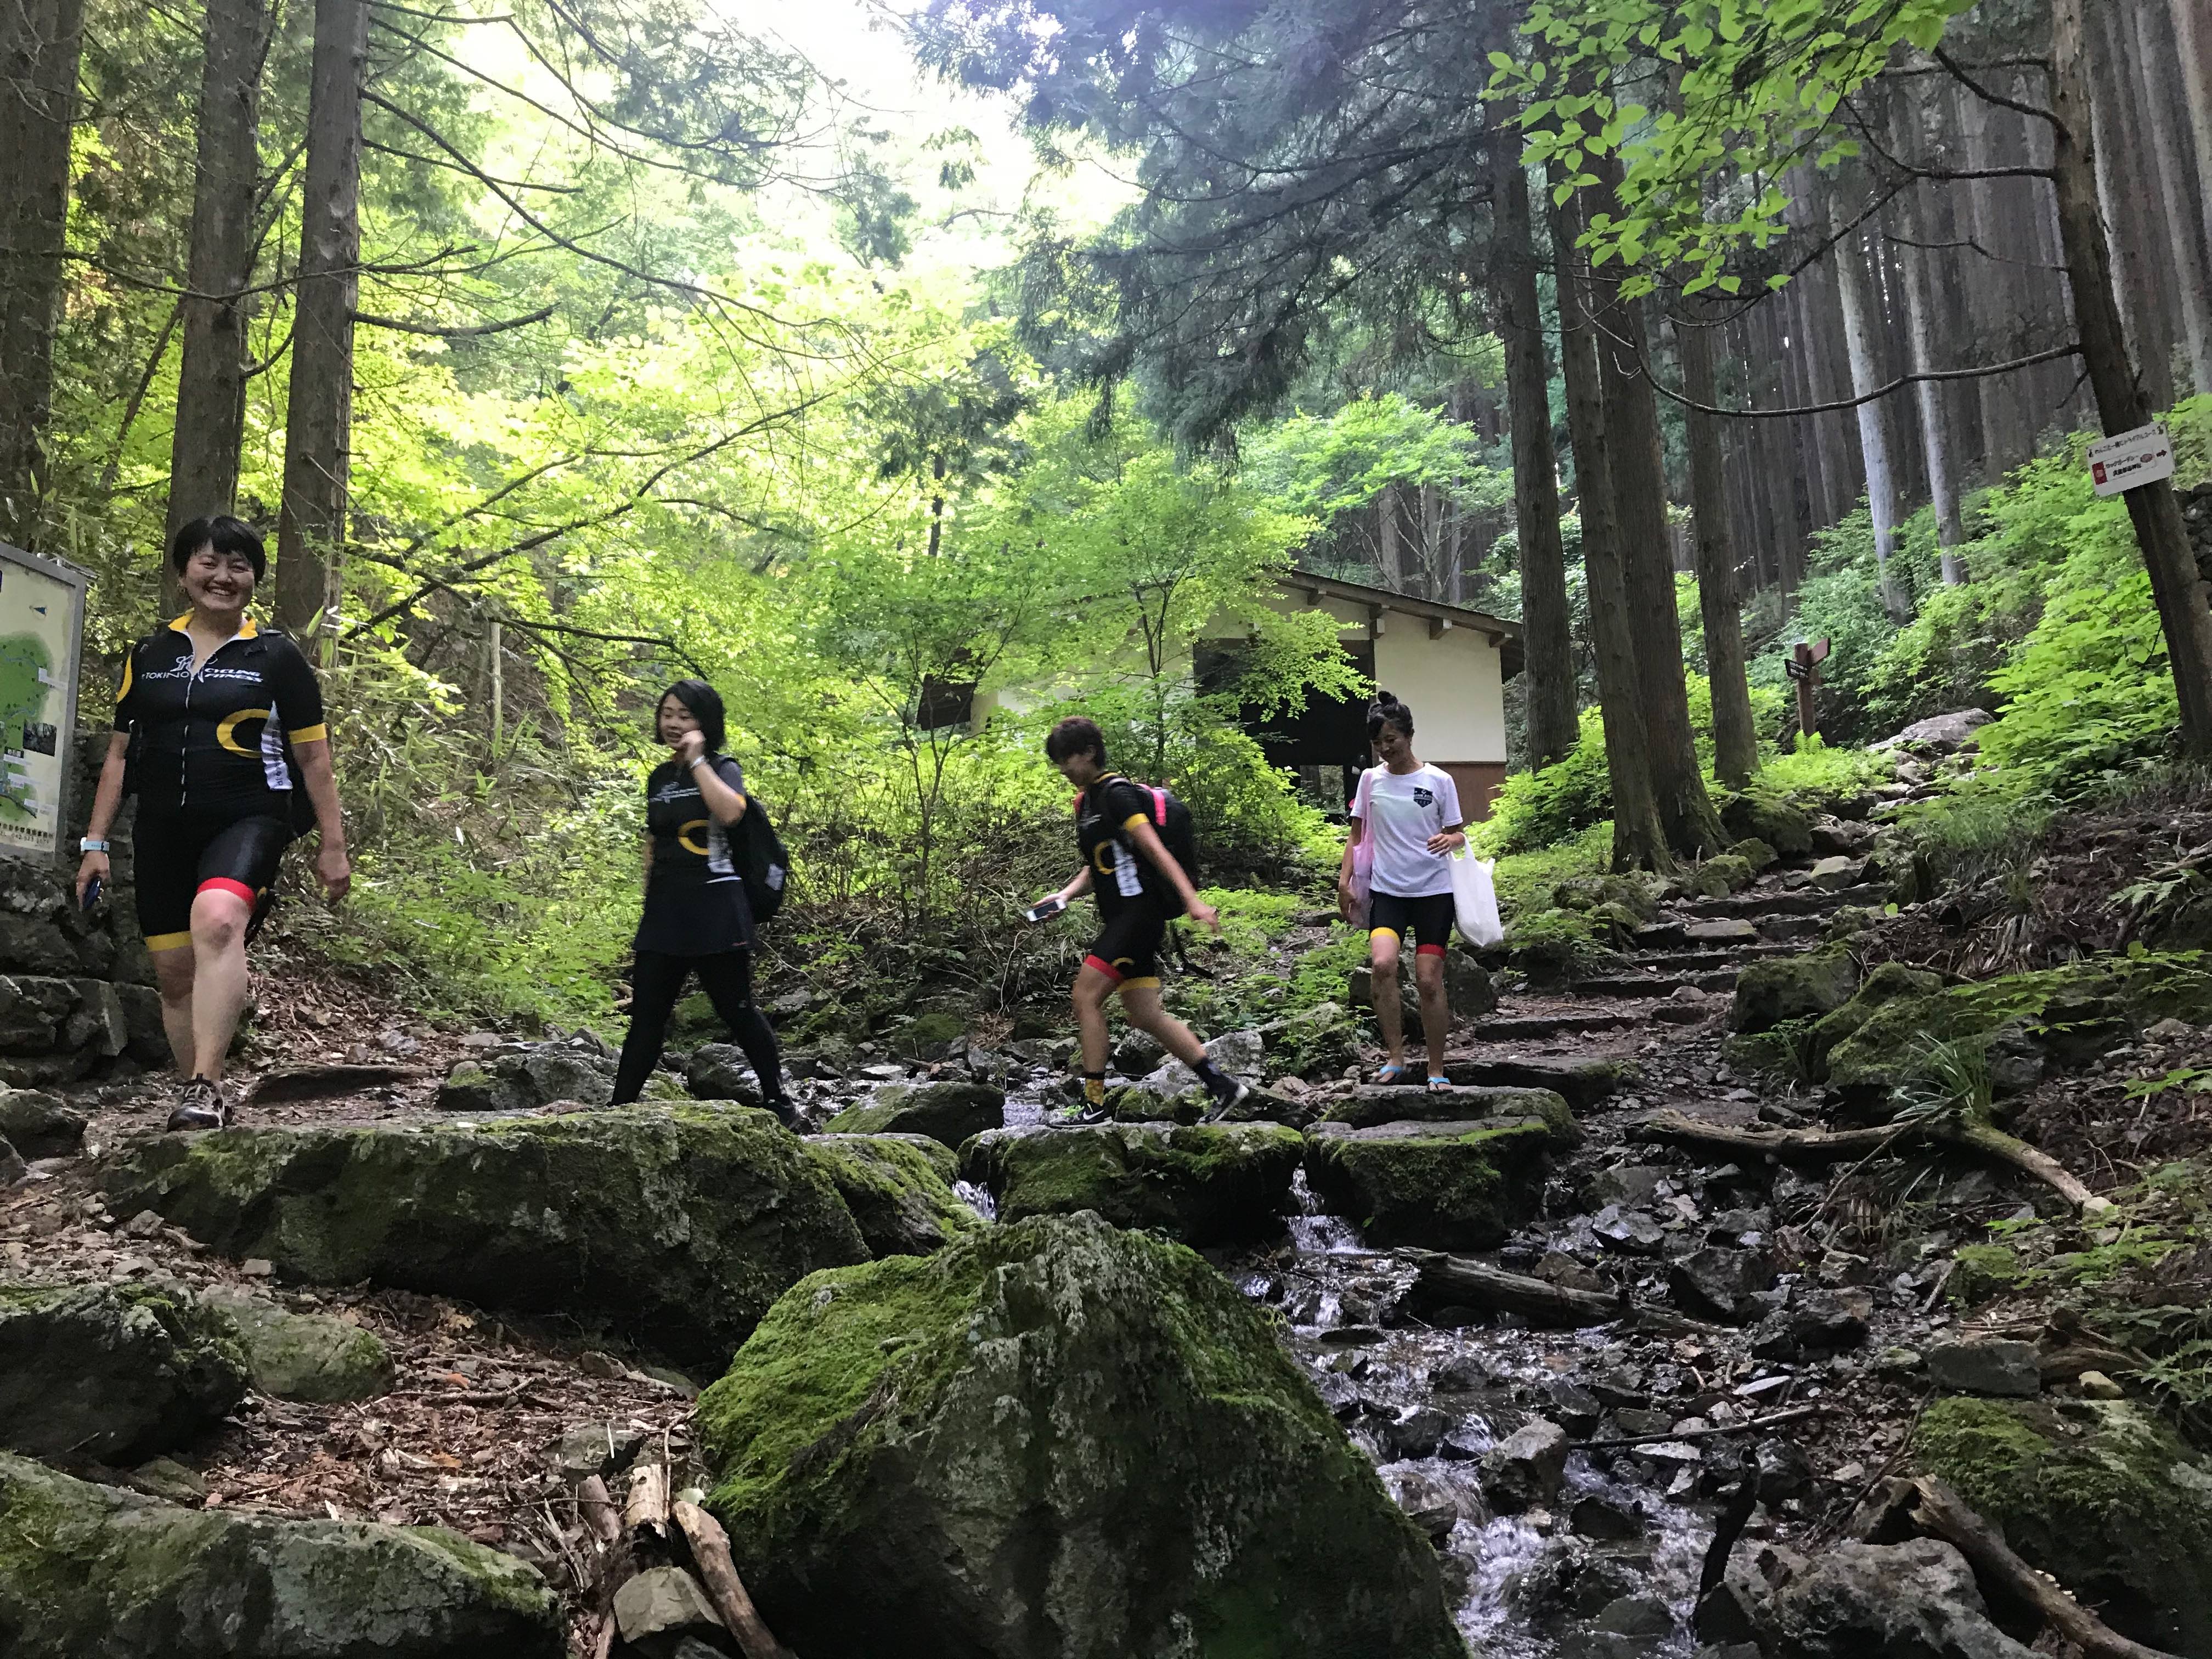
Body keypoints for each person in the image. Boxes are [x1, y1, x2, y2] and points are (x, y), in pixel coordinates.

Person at [76, 515, 350, 1131]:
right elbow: (119, 756)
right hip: (162, 828)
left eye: (239, 566)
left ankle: (207, 1084)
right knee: (174, 976)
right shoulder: (148, 656)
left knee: (219, 919)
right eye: (209, 563)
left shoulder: (277, 657)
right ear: (183, 574)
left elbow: (314, 758)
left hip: (250, 814)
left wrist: (333, 846)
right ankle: (193, 1099)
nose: (223, 577)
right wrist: (95, 842)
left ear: (254, 580)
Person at [1035, 715, 1250, 1123]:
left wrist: (1193, 901)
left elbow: (1155, 850)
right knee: (1144, 1014)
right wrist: (1064, 895)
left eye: (1067, 759)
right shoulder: (1086, 803)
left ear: (1089, 753)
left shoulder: (1117, 794)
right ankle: (1222, 1085)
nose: (1062, 769)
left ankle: (1094, 1103)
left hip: (1137, 918)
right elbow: (1100, 863)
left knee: (1085, 997)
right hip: (1122, 918)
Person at [608, 679, 793, 1122]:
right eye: (667, 713)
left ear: (705, 723)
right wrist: (648, 892)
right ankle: (618, 1109)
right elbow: (655, 837)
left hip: (717, 910)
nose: (673, 723)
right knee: (648, 1016)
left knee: (737, 1009)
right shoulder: (658, 777)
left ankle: (779, 1101)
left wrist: (697, 761)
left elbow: (731, 812)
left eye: (685, 715)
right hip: (666, 913)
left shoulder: (721, 767)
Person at [1336, 691, 1466, 1091]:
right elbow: (1356, 836)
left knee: (1428, 980)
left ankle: (1436, 1068)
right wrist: (1344, 882)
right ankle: (1396, 1058)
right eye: (1378, 743)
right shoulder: (1371, 781)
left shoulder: (1439, 781)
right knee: (1382, 966)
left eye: (1391, 740)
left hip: (1434, 893)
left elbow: (1459, 834)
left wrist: (1453, 842)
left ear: (1410, 736)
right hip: (1388, 891)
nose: (1385, 749)